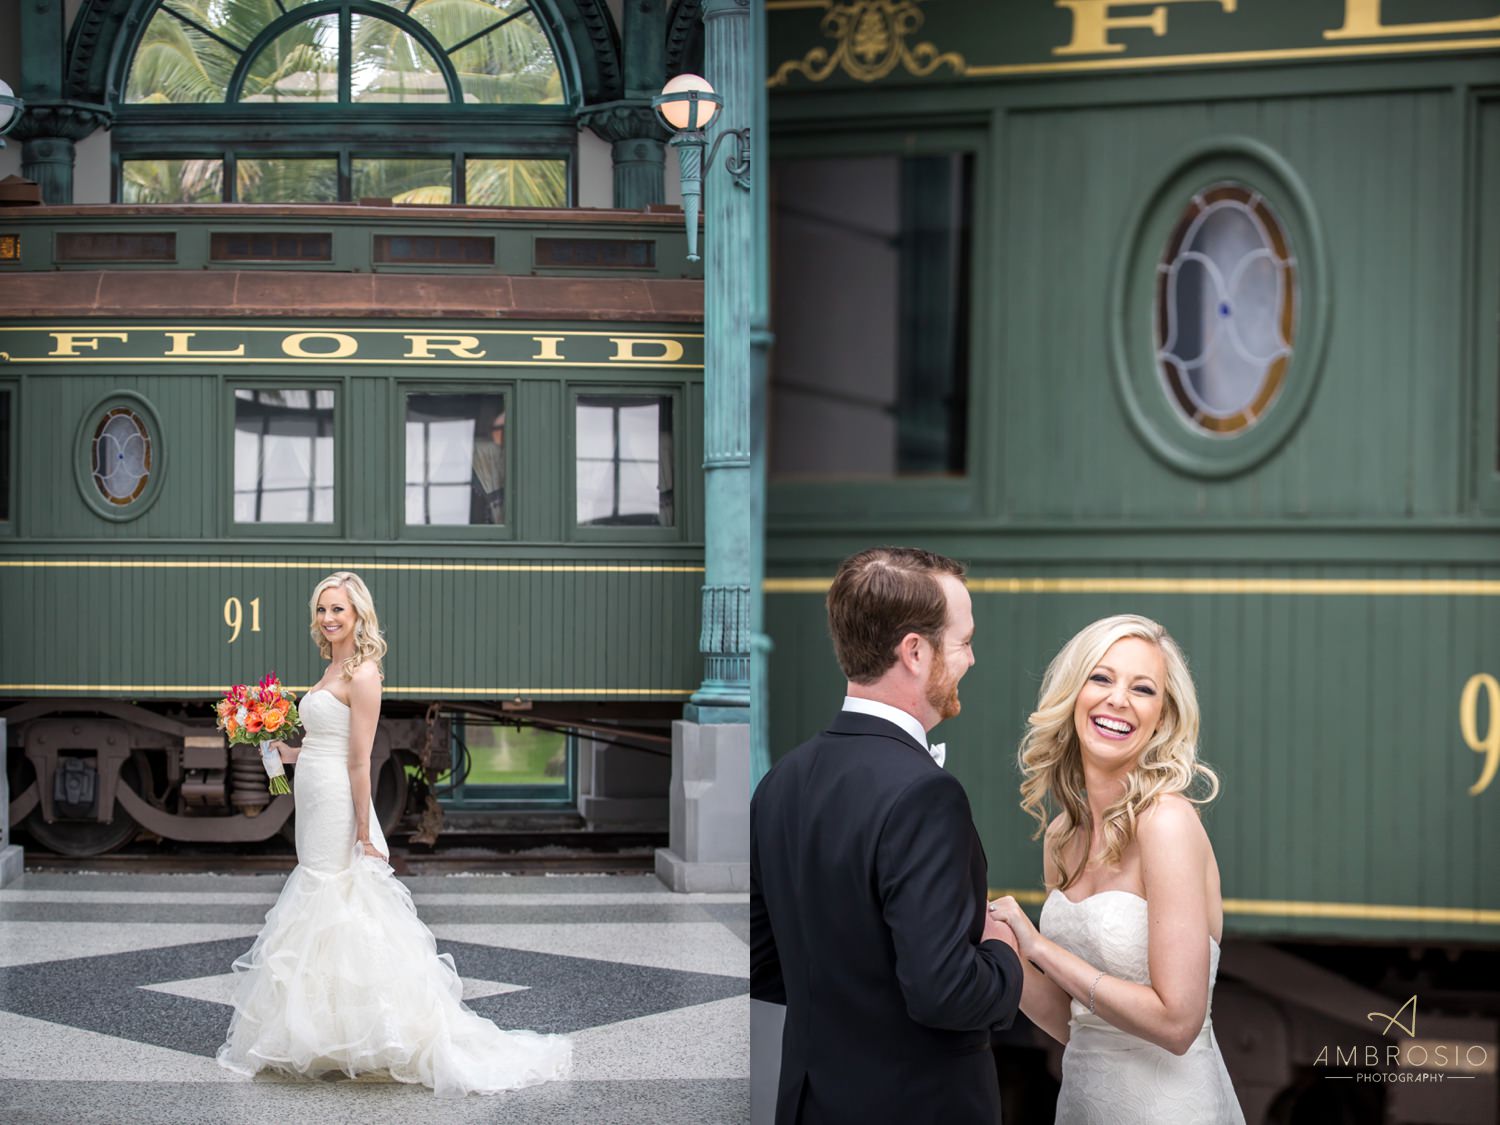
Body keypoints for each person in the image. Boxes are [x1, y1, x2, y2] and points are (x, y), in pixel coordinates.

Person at [216, 571, 571, 1096]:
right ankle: (326, 1032)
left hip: (338, 801)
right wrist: (273, 746)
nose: (329, 618)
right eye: (322, 609)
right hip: (312, 797)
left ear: (359, 615)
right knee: (322, 901)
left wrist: (365, 830)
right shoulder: (332, 665)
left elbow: (359, 760)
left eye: (338, 609)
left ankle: (371, 1031)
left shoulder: (363, 673)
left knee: (339, 900)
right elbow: (316, 743)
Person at [750, 547, 1025, 1125]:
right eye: (964, 641)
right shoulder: (926, 795)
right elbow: (945, 993)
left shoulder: (781, 782)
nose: (972, 659)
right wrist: (1003, 949)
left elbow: (767, 965)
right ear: (916, 652)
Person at [987, 614, 1245, 1124]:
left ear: (1162, 717)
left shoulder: (1167, 823)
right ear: (1073, 693)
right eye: (1101, 678)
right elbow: (1074, 1021)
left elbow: (1177, 1023)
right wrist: (1004, 945)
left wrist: (1042, 949)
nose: (1118, 700)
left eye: (1143, 689)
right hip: (1084, 1105)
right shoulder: (1063, 836)